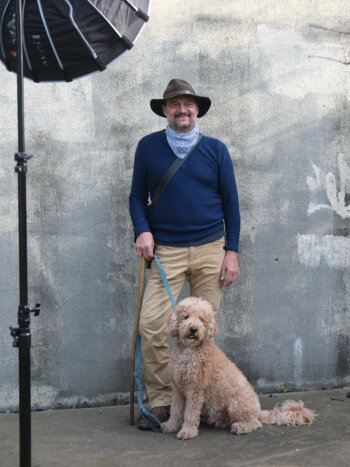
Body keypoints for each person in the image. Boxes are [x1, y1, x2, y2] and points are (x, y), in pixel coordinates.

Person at [129, 78, 240, 429]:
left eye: (188, 104)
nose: (182, 109)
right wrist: (142, 230)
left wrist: (231, 251)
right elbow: (135, 197)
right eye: (174, 104)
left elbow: (232, 203)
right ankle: (163, 402)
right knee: (152, 324)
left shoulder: (216, 150)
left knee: (202, 334)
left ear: (196, 109)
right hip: (166, 252)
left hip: (210, 249)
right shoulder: (148, 147)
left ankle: (200, 403)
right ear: (164, 109)